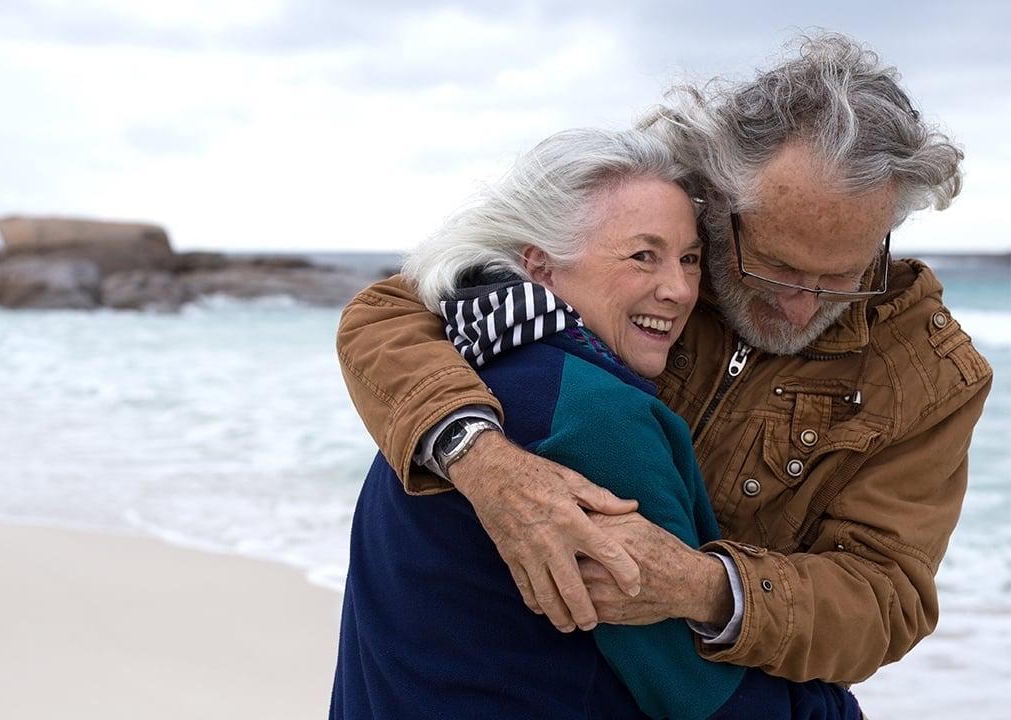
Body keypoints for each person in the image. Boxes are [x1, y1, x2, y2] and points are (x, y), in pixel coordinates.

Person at [334, 32, 992, 685]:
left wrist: (707, 589)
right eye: (775, 267)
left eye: (841, 279)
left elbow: (888, 598)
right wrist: (483, 462)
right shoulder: (658, 234)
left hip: (718, 682)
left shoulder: (932, 376)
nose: (800, 307)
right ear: (719, 201)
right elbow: (391, 314)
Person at [330, 128, 859, 719]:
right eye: (643, 256)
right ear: (542, 266)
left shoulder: (455, 379)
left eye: (689, 259)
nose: (679, 290)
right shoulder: (593, 417)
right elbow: (701, 700)